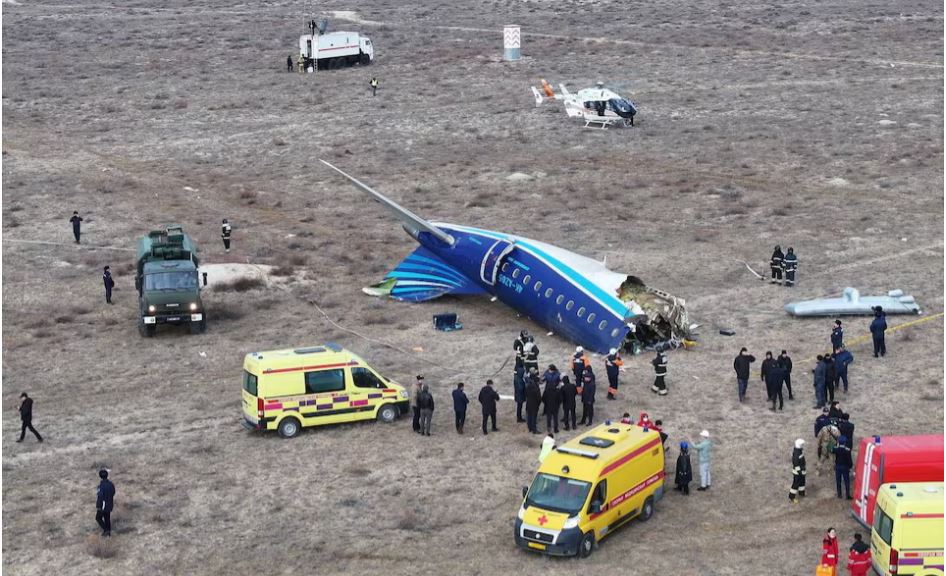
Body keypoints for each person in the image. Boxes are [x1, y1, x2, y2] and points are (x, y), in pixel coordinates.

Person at [96, 469, 115, 537]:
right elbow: (113, 492)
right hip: (110, 503)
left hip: (103, 505)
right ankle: (108, 532)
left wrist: (98, 506)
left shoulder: (100, 486)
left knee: (98, 518)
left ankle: (106, 530)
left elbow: (100, 496)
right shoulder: (111, 484)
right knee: (107, 518)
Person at [541, 369, 561, 434]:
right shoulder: (557, 391)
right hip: (555, 406)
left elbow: (543, 398)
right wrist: (558, 404)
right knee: (555, 418)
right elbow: (559, 399)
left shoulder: (546, 392)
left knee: (549, 418)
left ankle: (549, 427)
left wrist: (546, 403)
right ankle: (556, 429)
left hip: (549, 406)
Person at [790, 438, 807, 502]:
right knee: (796, 484)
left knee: (802, 482)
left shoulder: (799, 451)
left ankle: (801, 493)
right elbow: (796, 464)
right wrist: (800, 472)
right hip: (798, 472)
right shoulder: (797, 453)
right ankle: (792, 497)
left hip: (802, 470)